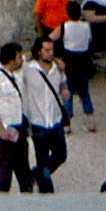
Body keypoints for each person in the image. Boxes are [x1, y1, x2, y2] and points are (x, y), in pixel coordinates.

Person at [0, 42, 34, 192]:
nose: (21, 60)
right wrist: (1, 129)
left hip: (18, 126)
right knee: (4, 170)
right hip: (4, 128)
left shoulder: (18, 73)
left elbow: (29, 55)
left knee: (23, 168)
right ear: (12, 60)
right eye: (19, 57)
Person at [23, 35, 69, 190]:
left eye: (52, 50)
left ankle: (36, 175)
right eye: (47, 50)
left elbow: (62, 80)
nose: (51, 53)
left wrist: (64, 88)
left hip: (55, 120)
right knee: (42, 161)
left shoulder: (57, 68)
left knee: (61, 155)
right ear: (38, 51)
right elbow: (15, 63)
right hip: (38, 122)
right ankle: (47, 192)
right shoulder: (29, 70)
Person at [62, 0, 98, 133]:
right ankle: (92, 122)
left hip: (70, 63)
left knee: (67, 94)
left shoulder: (64, 26)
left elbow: (53, 37)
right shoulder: (86, 26)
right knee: (85, 94)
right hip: (83, 62)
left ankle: (67, 126)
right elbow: (90, 41)